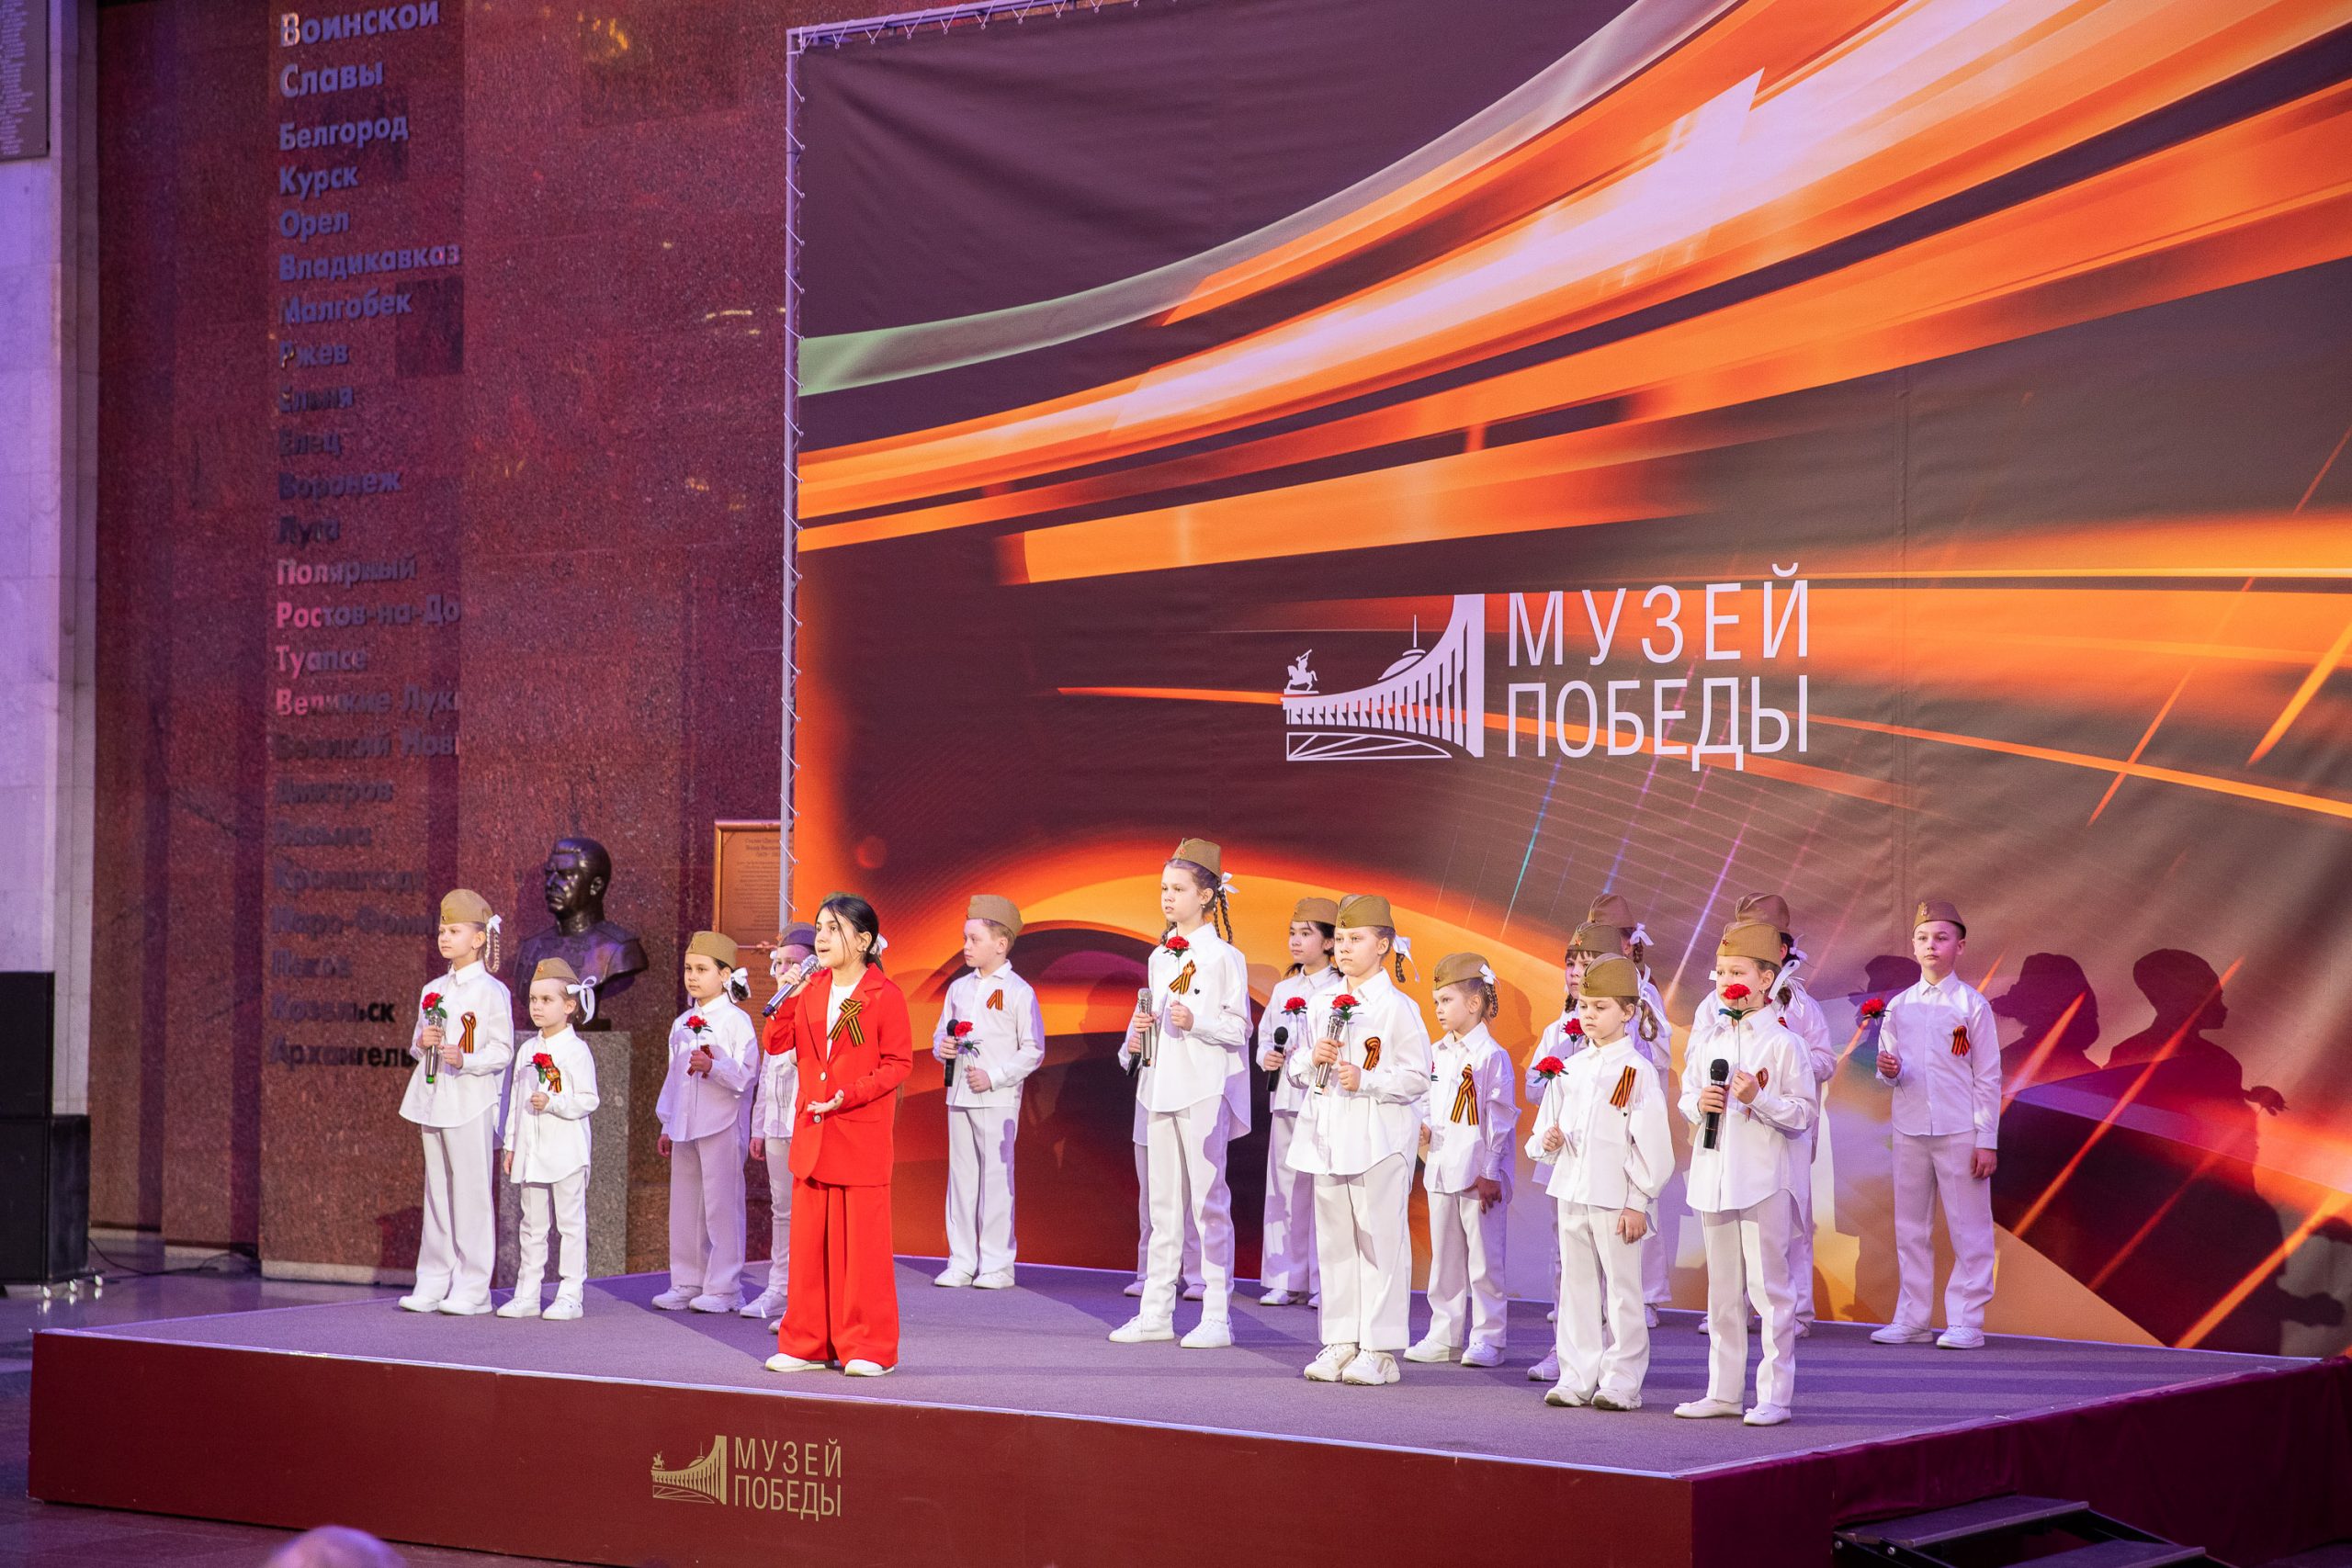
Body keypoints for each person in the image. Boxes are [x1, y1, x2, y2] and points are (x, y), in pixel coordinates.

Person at [1285, 895, 1431, 1386]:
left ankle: (1379, 1349)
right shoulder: (1322, 1002)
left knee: (1380, 1242)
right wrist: (1311, 1059)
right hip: (1328, 1137)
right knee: (1334, 1244)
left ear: (1383, 945)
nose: (1345, 948)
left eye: (1357, 939)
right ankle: (1340, 1340)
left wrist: (1366, 1079)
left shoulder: (1398, 1008)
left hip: (1378, 1141)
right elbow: (1298, 1068)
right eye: (1342, 939)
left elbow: (1417, 1077)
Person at [1111, 839, 1250, 1350]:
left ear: (1206, 895)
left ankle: (1216, 1315)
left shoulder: (1224, 957)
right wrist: (1133, 1041)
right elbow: (1150, 1019)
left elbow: (1240, 1028)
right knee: (1163, 1206)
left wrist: (1198, 1021)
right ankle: (1155, 1312)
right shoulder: (1159, 956)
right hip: (1159, 1086)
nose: (1168, 897)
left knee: (1208, 1203)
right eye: (1164, 889)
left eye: (1178, 889)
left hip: (1204, 1090)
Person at [1676, 920, 1816, 1427]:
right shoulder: (1709, 1038)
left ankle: (1775, 1395)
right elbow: (1686, 1096)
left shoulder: (1784, 1044)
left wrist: (1759, 1098)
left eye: (1737, 972)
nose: (1726, 981)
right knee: (1721, 1294)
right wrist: (1699, 1104)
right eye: (1720, 973)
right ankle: (1723, 1391)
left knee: (1770, 1291)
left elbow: (1803, 1114)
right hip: (1714, 1175)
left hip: (1763, 1180)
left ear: (1766, 979)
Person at [768, 894, 912, 1377]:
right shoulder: (810, 989)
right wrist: (787, 994)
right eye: (819, 928)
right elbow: (776, 1042)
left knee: (862, 1252)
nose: (822, 938)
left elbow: (898, 1064)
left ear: (864, 940)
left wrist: (849, 1095)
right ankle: (806, 1343)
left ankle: (868, 1347)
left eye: (834, 929)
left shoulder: (884, 994)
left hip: (859, 1134)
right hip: (813, 1133)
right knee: (809, 1249)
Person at [1529, 955, 1671, 1410]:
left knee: (1624, 1292)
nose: (1589, 1015)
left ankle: (1622, 1381)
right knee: (1576, 1288)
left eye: (1601, 1007)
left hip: (1615, 1199)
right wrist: (1548, 1142)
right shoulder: (1570, 1069)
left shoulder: (1636, 1071)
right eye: (1584, 1006)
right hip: (1572, 1192)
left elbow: (1650, 1145)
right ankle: (1576, 1375)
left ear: (1628, 1011)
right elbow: (1542, 1132)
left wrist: (1638, 1200)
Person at [1871, 899, 2001, 1350]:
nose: (1931, 946)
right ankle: (1913, 1318)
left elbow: (1987, 1076)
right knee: (1910, 1228)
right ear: (1913, 946)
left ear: (1959, 947)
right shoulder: (1899, 1006)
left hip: (1960, 1129)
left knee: (1970, 1229)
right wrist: (1888, 1070)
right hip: (1909, 1129)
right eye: (1923, 938)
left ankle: (1967, 1320)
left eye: (1941, 938)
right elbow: (1890, 1070)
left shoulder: (1972, 1005)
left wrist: (1987, 1139)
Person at [397, 889, 514, 1316]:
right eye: (442, 931)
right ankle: (433, 1279)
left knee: (470, 1192)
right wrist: (421, 1041)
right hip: (433, 1097)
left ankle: (473, 1286)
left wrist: (467, 1060)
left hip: (470, 1099)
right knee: (437, 1192)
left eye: (455, 931)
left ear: (479, 939)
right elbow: (417, 1045)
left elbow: (503, 1049)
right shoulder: (433, 989)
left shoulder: (491, 991)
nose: (445, 938)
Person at [1408, 952, 1519, 1369]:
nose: (1439, 1009)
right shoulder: (1436, 1051)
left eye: (1447, 1000)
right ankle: (1444, 1334)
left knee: (1485, 1261)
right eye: (1436, 1001)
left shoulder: (1491, 1055)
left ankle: (1489, 1338)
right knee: (1445, 1258)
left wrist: (1489, 1172)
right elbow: (1426, 1097)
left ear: (1474, 1003)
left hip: (1477, 1174)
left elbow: (1499, 1118)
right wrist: (1423, 1127)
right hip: (1440, 1166)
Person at [933, 895, 1046, 1290]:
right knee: (961, 1179)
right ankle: (961, 1261)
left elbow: (1033, 1049)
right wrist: (943, 1047)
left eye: (974, 939)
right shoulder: (958, 989)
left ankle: (997, 1264)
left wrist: (995, 1077)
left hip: (997, 1099)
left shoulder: (1018, 991)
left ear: (1000, 944)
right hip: (959, 1095)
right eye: (965, 938)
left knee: (996, 1180)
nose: (966, 946)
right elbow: (941, 1033)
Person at [651, 931, 758, 1314]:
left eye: (702, 969)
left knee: (721, 1205)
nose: (692, 977)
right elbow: (673, 1077)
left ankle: (725, 1286)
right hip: (685, 1125)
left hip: (721, 1123)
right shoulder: (682, 1022)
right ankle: (687, 1281)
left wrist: (714, 1066)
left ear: (725, 975)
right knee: (685, 1207)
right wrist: (666, 1124)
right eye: (688, 969)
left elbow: (747, 1074)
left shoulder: (736, 1021)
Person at [497, 957, 601, 1320]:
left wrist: (554, 1102)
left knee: (570, 1224)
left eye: (546, 1000)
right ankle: (528, 1292)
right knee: (532, 1225)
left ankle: (571, 1293)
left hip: (566, 1151)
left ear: (569, 1006)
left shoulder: (576, 1050)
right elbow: (515, 1102)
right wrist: (511, 1144)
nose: (537, 1007)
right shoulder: (527, 1049)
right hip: (532, 1151)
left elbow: (588, 1099)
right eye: (533, 999)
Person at [1256, 897, 1341, 1306]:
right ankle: (1284, 1278)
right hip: (1287, 1099)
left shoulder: (1341, 990)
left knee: (1324, 1191)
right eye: (1292, 933)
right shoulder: (1283, 989)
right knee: (1284, 1189)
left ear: (1329, 942)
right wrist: (1267, 1057)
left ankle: (1325, 1283)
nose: (1295, 941)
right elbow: (1264, 1038)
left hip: (1324, 1101)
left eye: (1306, 933)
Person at [744, 920, 818, 1323]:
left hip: (806, 1123)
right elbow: (767, 1073)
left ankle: (807, 1296)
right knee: (781, 1210)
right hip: (775, 1126)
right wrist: (758, 1127)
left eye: (794, 962)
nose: (785, 970)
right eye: (780, 962)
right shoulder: (776, 1008)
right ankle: (778, 1288)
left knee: (809, 1212)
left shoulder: (818, 1003)